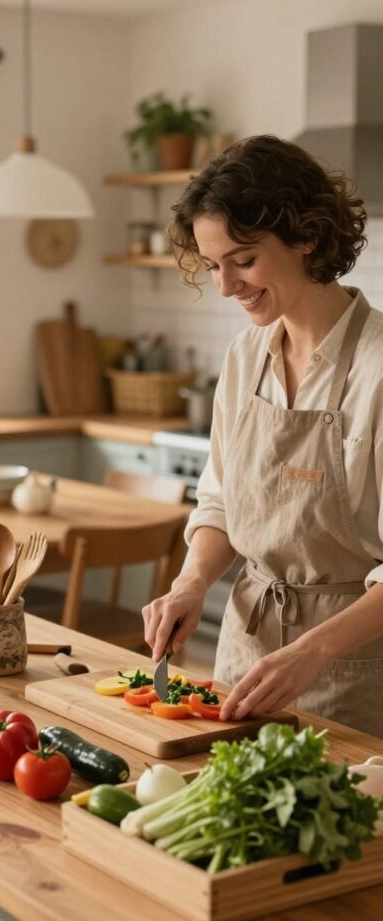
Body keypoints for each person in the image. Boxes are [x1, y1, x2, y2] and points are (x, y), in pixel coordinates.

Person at [142, 134, 383, 738]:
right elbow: (220, 501)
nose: (224, 286)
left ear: (307, 235)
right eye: (212, 265)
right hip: (243, 657)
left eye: (243, 260)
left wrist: (313, 651)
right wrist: (191, 582)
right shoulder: (246, 356)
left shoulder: (379, 369)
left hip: (355, 671)